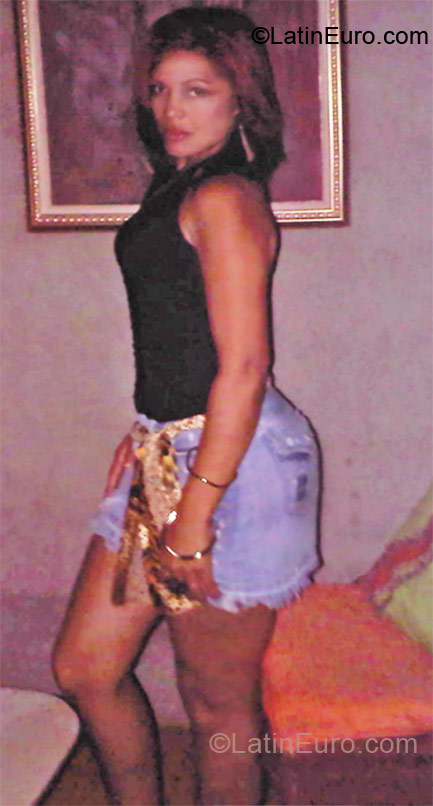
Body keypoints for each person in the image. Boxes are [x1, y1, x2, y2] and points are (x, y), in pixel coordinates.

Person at [51, 5, 321, 805]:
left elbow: (243, 366)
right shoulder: (184, 186)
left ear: (241, 99)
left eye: (197, 90)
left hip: (232, 466)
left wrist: (194, 517)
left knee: (217, 708)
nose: (171, 108)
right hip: (172, 449)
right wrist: (147, 433)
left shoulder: (226, 195)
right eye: (161, 89)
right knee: (86, 668)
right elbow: (181, 341)